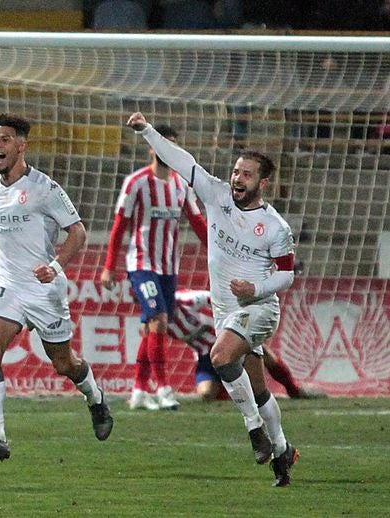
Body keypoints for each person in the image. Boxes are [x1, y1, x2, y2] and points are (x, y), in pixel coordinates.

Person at [128, 111, 300, 486]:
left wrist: (256, 289)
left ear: (263, 183)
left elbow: (287, 273)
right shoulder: (216, 194)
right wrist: (148, 131)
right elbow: (182, 160)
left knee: (219, 357)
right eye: (236, 171)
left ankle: (254, 430)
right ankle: (283, 449)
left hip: (258, 308)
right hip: (226, 311)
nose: (238, 178)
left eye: (247, 174)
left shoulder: (275, 227)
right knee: (257, 389)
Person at [0, 114, 113, 463]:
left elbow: (77, 232)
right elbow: (1, 237)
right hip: (7, 285)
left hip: (43, 288)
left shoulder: (45, 188)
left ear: (21, 145)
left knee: (64, 363)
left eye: (3, 140)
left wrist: (56, 267)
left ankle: (95, 398)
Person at [100, 124, 207, 411]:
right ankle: (163, 388)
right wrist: (109, 266)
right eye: (161, 145)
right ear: (151, 147)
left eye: (171, 145)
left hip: (168, 268)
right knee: (159, 319)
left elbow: (198, 224)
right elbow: (120, 225)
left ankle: (138, 390)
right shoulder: (136, 182)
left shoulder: (181, 185)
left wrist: (220, 254)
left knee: (152, 328)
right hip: (141, 264)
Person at [171, 290, 327, 401]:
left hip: (229, 339)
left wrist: (237, 327)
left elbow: (218, 300)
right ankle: (232, 397)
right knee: (206, 394)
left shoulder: (185, 299)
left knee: (264, 355)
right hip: (206, 355)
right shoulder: (158, 321)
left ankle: (294, 390)